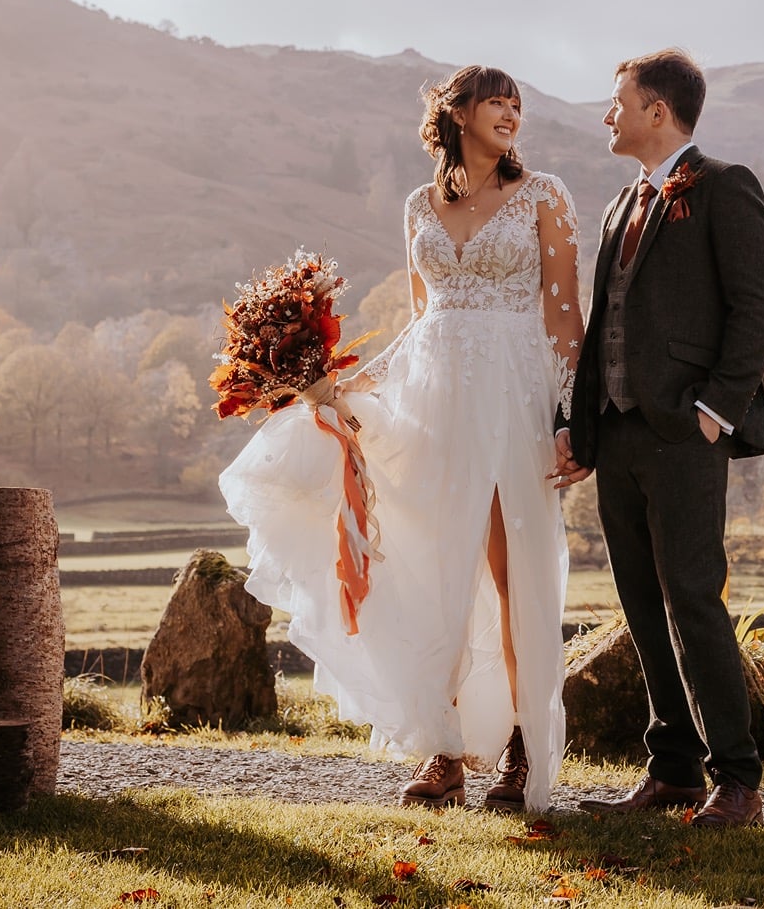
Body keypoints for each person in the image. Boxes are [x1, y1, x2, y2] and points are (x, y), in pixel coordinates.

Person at [220, 65, 583, 813]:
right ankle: (443, 749)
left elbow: (564, 316)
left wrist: (571, 417)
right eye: (496, 101)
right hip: (436, 402)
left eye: (517, 104)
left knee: (513, 577)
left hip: (513, 399)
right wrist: (338, 385)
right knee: (434, 571)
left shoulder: (545, 195)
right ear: (458, 114)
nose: (511, 113)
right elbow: (424, 323)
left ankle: (521, 746)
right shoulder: (419, 205)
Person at [551, 48, 764, 829]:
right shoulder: (621, 203)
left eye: (617, 102)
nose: (606, 115)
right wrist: (583, 428)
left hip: (685, 431)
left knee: (692, 596)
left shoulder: (723, 186)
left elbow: (756, 308)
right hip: (618, 433)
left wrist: (715, 410)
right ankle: (673, 768)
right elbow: (603, 326)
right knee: (642, 603)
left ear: (657, 111)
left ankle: (738, 779)